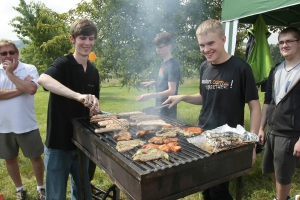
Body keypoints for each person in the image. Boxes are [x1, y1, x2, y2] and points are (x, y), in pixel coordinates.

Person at [163, 19, 261, 200]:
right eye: (202, 45)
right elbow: (204, 97)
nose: (206, 49)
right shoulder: (204, 67)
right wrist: (182, 97)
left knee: (219, 190)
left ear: (223, 39)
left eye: (210, 43)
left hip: (228, 139)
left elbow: (255, 107)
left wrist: (252, 143)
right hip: (202, 135)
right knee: (205, 187)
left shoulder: (240, 68)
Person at [37, 18, 100, 200]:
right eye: (82, 38)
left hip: (82, 143)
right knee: (55, 195)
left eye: (90, 38)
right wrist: (77, 96)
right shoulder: (63, 64)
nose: (87, 43)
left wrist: (94, 108)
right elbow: (43, 80)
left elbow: (91, 106)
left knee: (82, 194)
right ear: (72, 39)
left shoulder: (93, 72)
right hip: (59, 143)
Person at [0, 39, 45, 200]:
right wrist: (22, 88)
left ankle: (41, 188)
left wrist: (10, 74)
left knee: (35, 157)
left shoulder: (29, 68)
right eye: (3, 53)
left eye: (12, 52)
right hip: (3, 126)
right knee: (10, 159)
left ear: (17, 53)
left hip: (26, 124)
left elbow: (32, 89)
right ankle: (20, 189)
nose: (8, 55)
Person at [258, 27, 300, 200]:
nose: (284, 45)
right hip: (272, 131)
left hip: (289, 133)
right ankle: (285, 197)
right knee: (271, 169)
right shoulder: (275, 70)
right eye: (281, 42)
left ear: (299, 43)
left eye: (289, 41)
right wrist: (261, 128)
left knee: (283, 174)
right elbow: (268, 101)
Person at [136, 32, 181, 119]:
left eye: (160, 47)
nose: (157, 50)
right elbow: (166, 81)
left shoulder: (172, 65)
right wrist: (154, 83)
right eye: (156, 47)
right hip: (160, 106)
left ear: (169, 46)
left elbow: (172, 91)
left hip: (167, 109)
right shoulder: (165, 63)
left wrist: (150, 95)